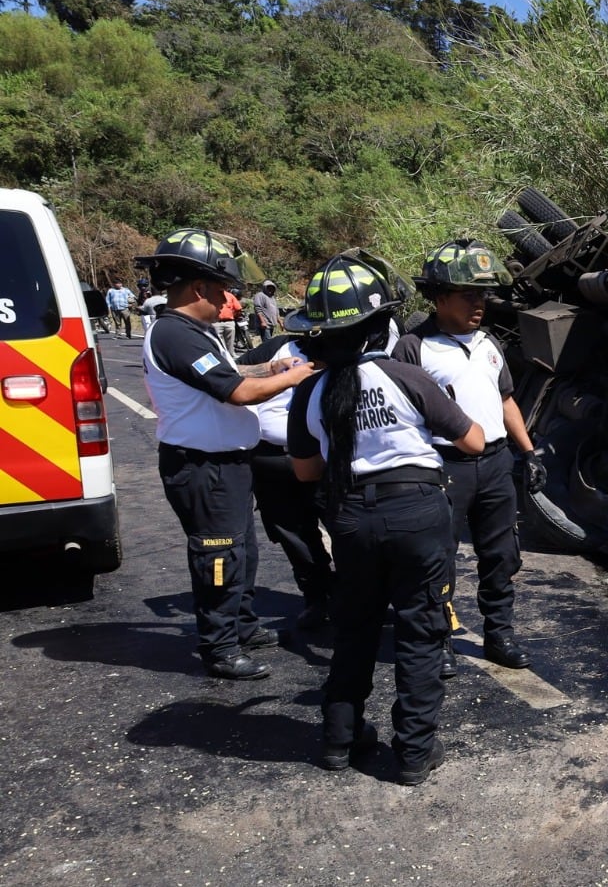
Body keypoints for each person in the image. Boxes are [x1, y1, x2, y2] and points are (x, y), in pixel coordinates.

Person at [285, 251, 484, 785]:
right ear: (380, 325)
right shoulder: (406, 376)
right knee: (420, 632)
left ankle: (337, 741)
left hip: (350, 517)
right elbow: (474, 438)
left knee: (355, 629)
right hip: (417, 513)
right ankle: (415, 752)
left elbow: (305, 471)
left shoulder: (311, 391)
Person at [138, 228, 317, 680]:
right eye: (222, 290)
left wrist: (270, 366)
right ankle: (219, 647)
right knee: (219, 555)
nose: (228, 300)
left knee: (244, 551)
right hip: (202, 467)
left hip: (227, 465)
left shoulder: (194, 331)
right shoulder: (175, 335)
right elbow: (237, 391)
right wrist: (293, 378)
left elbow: (233, 371)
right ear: (198, 288)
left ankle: (241, 625)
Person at [392, 238, 543, 678]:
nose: (479, 304)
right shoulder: (413, 348)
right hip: (444, 467)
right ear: (439, 299)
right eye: (468, 295)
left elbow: (506, 401)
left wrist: (528, 452)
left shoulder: (489, 343)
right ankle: (438, 640)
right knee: (437, 557)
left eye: (482, 295)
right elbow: (403, 414)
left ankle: (500, 634)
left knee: (501, 555)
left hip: (496, 465)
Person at [237, 330, 338, 631]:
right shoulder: (278, 346)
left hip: (326, 458)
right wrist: (271, 369)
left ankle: (357, 596)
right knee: (291, 532)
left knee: (346, 528)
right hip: (272, 458)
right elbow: (232, 372)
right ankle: (317, 597)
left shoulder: (345, 352)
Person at [214, 286, 243, 356]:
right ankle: (223, 356)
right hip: (216, 323)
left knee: (230, 340)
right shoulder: (212, 295)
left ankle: (232, 355)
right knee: (219, 342)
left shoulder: (230, 296)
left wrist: (233, 315)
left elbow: (238, 308)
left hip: (229, 322)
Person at [252, 279, 281, 344]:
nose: (270, 290)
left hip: (271, 324)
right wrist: (262, 322)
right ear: (265, 288)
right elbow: (258, 309)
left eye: (272, 288)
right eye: (268, 288)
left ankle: (266, 353)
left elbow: (276, 310)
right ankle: (266, 354)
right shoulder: (260, 295)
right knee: (268, 343)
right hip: (265, 324)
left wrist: (280, 322)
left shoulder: (272, 298)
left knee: (268, 342)